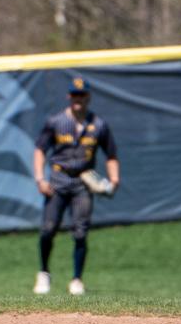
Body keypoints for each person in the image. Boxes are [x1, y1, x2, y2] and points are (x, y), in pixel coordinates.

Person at [32, 73, 120, 295]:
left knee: (80, 233)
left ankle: (77, 280)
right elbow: (40, 149)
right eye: (74, 94)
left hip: (83, 181)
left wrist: (114, 178)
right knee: (48, 229)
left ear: (88, 96)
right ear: (69, 96)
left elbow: (111, 154)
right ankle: (44, 273)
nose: (77, 98)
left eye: (82, 94)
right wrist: (39, 178)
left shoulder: (98, 125)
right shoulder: (56, 122)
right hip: (58, 179)